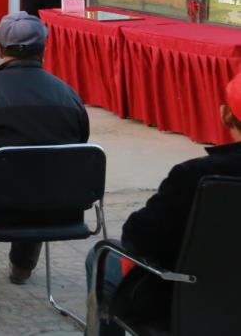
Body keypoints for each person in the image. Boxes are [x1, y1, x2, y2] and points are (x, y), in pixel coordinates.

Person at [88, 71, 241, 335]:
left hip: (190, 304)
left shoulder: (194, 175)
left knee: (101, 255)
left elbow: (138, 238)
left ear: (225, 115)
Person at [0, 11, 89, 284]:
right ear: (44, 50)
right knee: (39, 172)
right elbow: (78, 149)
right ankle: (23, 267)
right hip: (61, 209)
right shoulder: (69, 94)